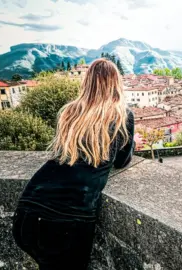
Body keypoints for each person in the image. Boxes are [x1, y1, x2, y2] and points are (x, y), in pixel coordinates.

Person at [12, 59, 134, 270]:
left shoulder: (68, 112)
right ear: (116, 83)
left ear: (86, 82)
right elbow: (122, 161)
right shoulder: (121, 115)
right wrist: (132, 144)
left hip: (28, 210)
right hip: (67, 220)